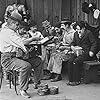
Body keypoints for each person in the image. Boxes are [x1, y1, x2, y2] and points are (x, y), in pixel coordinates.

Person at [0, 10, 42, 98]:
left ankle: (36, 83)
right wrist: (33, 38)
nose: (18, 27)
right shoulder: (7, 32)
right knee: (26, 66)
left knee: (38, 61)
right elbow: (21, 41)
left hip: (16, 56)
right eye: (17, 25)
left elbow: (20, 44)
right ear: (11, 23)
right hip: (8, 59)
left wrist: (27, 48)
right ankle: (23, 89)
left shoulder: (12, 31)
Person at [67, 21, 97, 86]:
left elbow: (94, 43)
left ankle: (77, 80)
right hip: (78, 52)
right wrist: (72, 46)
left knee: (76, 61)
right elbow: (73, 42)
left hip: (86, 53)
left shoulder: (88, 33)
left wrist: (92, 51)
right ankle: (71, 80)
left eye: (79, 29)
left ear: (83, 28)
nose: (78, 31)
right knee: (70, 61)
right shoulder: (75, 34)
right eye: (77, 29)